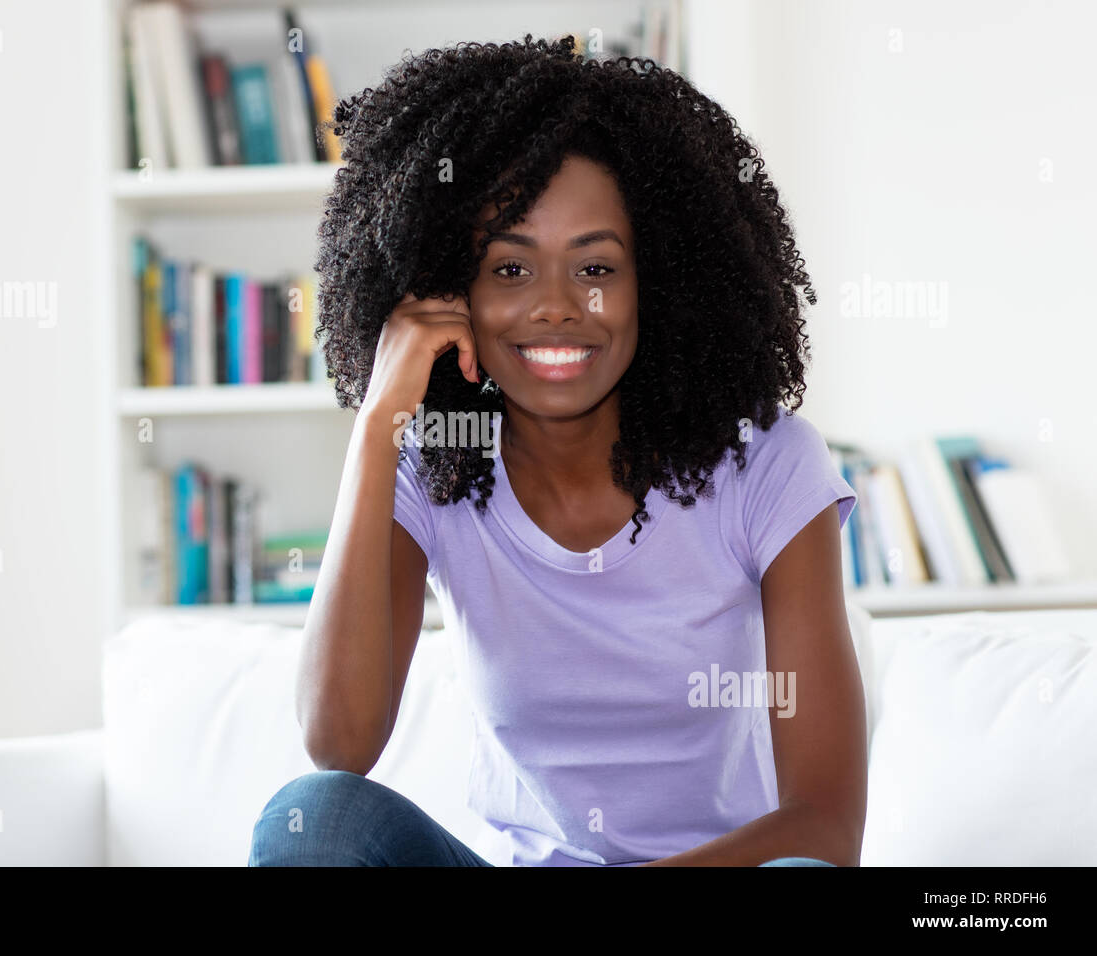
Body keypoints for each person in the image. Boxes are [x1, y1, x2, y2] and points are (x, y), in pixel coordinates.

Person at [250, 34, 867, 867]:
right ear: (449, 292)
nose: (555, 307)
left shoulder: (768, 469)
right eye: (509, 269)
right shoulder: (434, 469)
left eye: (596, 267)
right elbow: (339, 741)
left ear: (663, 280)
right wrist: (376, 423)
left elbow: (825, 828)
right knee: (318, 816)